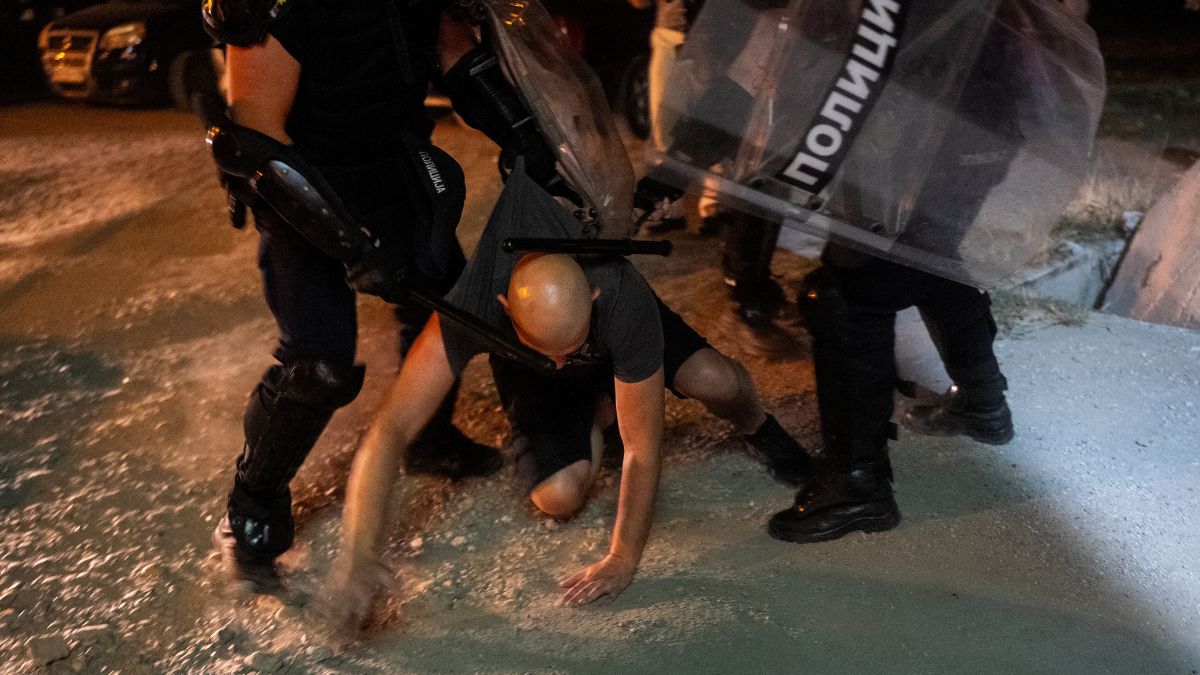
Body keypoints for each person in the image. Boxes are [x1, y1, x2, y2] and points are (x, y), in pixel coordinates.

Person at [323, 166, 814, 623]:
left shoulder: (620, 294)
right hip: (531, 374)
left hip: (614, 338)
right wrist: (358, 554)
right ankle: (598, 411)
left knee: (718, 381)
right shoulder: (471, 305)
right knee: (557, 497)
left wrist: (623, 557)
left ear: (593, 298)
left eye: (571, 346)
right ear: (503, 309)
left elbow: (644, 446)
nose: (561, 362)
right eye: (547, 349)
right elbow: (390, 429)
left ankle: (759, 429)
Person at [201, 0, 570, 586]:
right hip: (299, 186)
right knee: (317, 363)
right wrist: (349, 245)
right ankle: (252, 502)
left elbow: (456, 58)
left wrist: (532, 139)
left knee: (450, 302)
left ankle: (429, 436)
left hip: (390, 167)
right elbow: (257, 132)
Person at [765, 3, 1052, 544]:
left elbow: (874, 55)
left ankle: (858, 484)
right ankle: (984, 404)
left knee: (847, 294)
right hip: (981, 130)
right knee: (933, 260)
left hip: (929, 141)